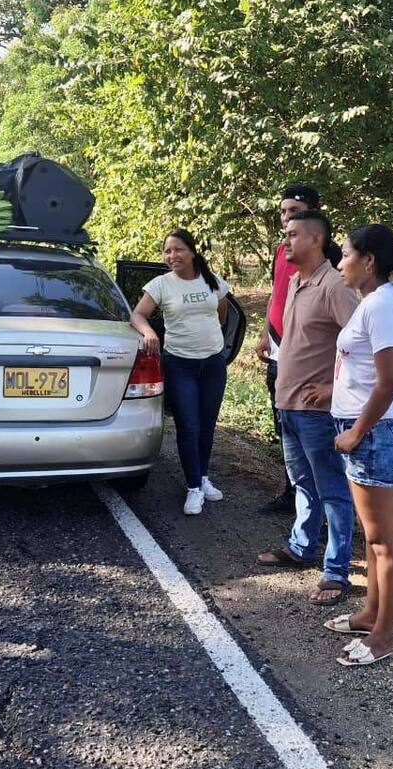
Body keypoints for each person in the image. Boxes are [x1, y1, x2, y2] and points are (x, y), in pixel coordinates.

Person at [321, 224, 393, 667]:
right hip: (369, 431)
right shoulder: (375, 303)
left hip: (377, 435)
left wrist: (357, 431)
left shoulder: (380, 306)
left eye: (344, 255)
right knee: (374, 538)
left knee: (385, 543)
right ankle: (369, 615)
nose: (340, 264)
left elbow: (391, 380)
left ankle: (385, 637)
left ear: (369, 261)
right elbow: (360, 370)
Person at [255, 211, 360, 606]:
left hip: (317, 412)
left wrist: (335, 389)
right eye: (285, 234)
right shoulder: (297, 280)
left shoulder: (334, 286)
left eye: (293, 234)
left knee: (333, 490)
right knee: (302, 483)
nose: (285, 240)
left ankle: (336, 571)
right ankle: (301, 548)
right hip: (288, 404)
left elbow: (361, 345)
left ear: (316, 240)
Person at [130, 228, 231, 515]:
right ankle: (193, 489)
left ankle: (203, 477)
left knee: (207, 424)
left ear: (192, 252)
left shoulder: (213, 282)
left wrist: (213, 342)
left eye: (178, 249)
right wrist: (149, 332)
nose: (172, 256)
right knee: (188, 425)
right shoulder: (160, 285)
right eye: (167, 251)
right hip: (179, 364)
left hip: (212, 363)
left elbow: (221, 314)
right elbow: (137, 314)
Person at [254, 183, 319, 515]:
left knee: (307, 427)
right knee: (284, 425)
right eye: (282, 212)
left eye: (293, 212)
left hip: (306, 358)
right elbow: (276, 293)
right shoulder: (282, 251)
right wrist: (265, 332)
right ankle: (291, 490)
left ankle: (314, 500)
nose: (285, 219)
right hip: (278, 350)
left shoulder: (327, 255)